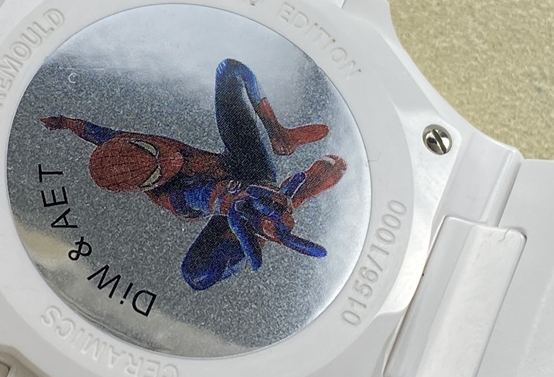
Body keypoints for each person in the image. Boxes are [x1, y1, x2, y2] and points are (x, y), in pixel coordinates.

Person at [41, 58, 346, 290]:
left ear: (129, 142)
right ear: (143, 186)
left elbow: (94, 132)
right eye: (155, 173)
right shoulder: (173, 197)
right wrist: (238, 203)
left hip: (242, 162)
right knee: (197, 275)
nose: (167, 160)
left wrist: (65, 122)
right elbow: (207, 197)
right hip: (244, 198)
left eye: (150, 150)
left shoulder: (121, 145)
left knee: (230, 70)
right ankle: (285, 207)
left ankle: (280, 135)